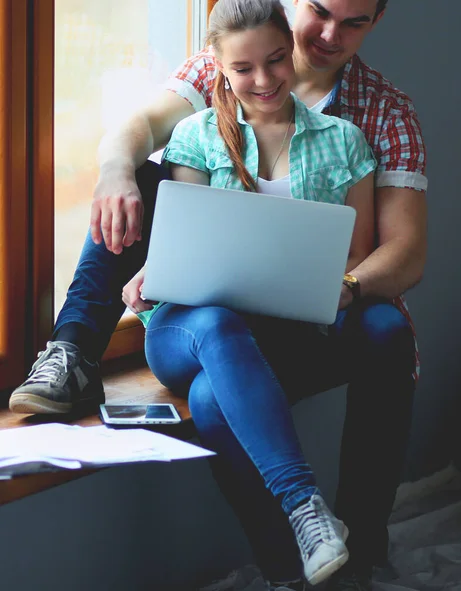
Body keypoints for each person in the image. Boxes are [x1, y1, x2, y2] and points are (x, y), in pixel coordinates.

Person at [9, 1, 427, 589]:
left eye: (355, 22)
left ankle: (335, 556)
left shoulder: (367, 123)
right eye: (321, 11)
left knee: (222, 391)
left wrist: (345, 285)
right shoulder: (209, 97)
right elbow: (175, 201)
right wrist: (117, 181)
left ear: (377, 21)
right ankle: (73, 349)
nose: (332, 34)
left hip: (305, 319)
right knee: (146, 191)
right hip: (202, 320)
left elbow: (400, 250)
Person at [119, 2, 377, 587]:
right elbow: (186, 250)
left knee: (212, 402)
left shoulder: (345, 141)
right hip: (186, 330)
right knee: (215, 324)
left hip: (281, 334)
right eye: (243, 69)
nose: (264, 81)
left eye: (276, 60)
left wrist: (332, 284)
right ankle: (305, 506)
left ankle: (287, 572)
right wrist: (152, 272)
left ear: (291, 48)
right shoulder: (196, 134)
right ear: (218, 69)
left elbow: (356, 257)